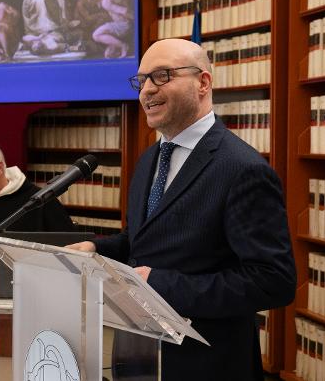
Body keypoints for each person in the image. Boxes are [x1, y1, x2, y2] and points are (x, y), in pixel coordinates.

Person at [67, 39, 296, 381]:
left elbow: (273, 281)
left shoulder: (241, 169)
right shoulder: (149, 159)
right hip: (137, 355)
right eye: (141, 80)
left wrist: (161, 284)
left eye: (161, 76)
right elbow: (143, 240)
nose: (146, 91)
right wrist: (98, 249)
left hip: (206, 364)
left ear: (203, 83)